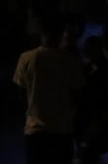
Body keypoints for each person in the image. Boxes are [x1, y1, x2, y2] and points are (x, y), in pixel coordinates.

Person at [13, 12, 86, 164]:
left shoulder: (27, 58)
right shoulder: (71, 60)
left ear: (41, 30)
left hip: (35, 129)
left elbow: (20, 94)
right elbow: (78, 95)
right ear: (61, 32)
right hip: (62, 129)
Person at [75, 36, 108, 164]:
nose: (88, 54)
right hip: (88, 117)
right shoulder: (86, 70)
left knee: (88, 151)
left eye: (89, 51)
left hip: (99, 117)